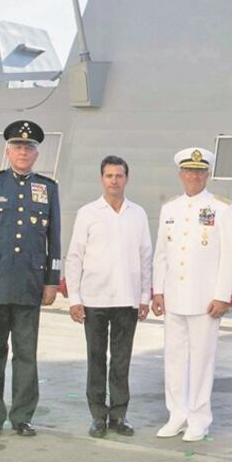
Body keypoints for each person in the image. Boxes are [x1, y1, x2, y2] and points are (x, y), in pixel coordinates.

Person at [0, 121, 61, 438]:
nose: (24, 152)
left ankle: (22, 416)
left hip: (30, 284)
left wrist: (51, 281)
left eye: (29, 147)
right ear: (8, 151)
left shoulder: (48, 188)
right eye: (18, 147)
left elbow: (54, 238)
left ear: (36, 154)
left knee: (25, 354)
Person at [151, 147, 232, 443]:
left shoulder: (222, 208)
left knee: (202, 359)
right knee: (174, 358)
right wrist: (158, 290)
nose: (194, 176)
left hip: (205, 300)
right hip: (174, 296)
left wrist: (223, 295)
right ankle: (177, 414)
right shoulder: (170, 209)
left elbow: (229, 256)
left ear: (207, 174)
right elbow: (162, 252)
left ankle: (199, 418)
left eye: (199, 172)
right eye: (189, 171)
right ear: (181, 174)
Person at [65, 155, 153, 438]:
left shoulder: (137, 213)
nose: (114, 181)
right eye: (109, 176)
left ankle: (119, 414)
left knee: (121, 360)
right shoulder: (88, 213)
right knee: (96, 359)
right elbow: (75, 256)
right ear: (101, 179)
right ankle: (97, 416)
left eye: (119, 175)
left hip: (126, 300)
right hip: (94, 300)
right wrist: (75, 298)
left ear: (127, 178)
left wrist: (144, 297)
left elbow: (145, 257)